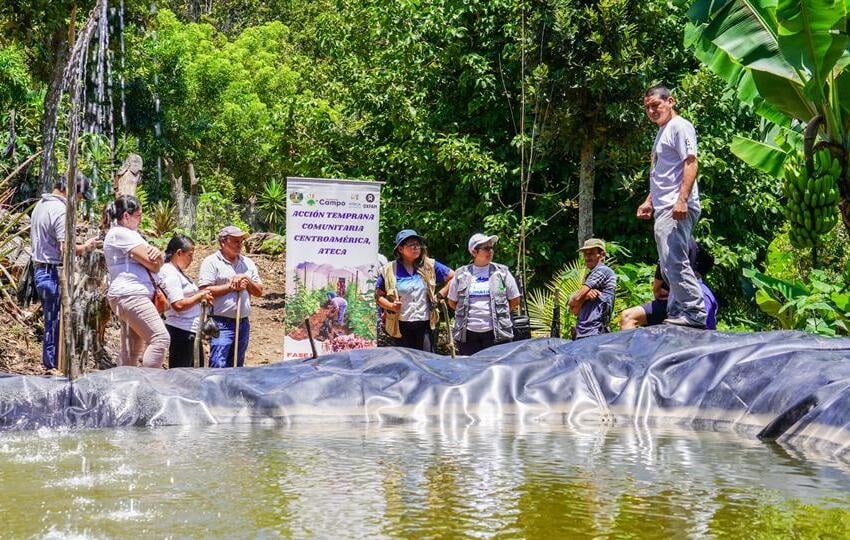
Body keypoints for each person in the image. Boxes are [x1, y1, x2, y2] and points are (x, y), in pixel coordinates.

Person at [638, 84, 707, 328]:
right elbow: (664, 173)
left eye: (655, 105)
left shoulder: (680, 126)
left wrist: (682, 199)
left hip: (675, 206)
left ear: (670, 101)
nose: (651, 111)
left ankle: (695, 312)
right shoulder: (663, 131)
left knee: (675, 260)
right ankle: (679, 310)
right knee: (667, 264)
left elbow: (691, 162)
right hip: (663, 205)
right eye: (647, 107)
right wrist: (649, 201)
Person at [30, 173, 101, 371]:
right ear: (70, 190)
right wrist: (86, 246)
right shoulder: (60, 210)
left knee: (52, 321)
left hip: (41, 270)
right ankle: (52, 368)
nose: (79, 201)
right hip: (53, 272)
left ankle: (53, 365)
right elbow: (66, 249)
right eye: (79, 196)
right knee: (55, 323)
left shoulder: (41, 205)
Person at [103, 195, 169, 368]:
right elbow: (155, 265)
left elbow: (156, 262)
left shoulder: (125, 234)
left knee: (132, 350)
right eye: (138, 216)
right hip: (132, 294)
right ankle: (147, 385)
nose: (141, 220)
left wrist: (158, 257)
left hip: (127, 294)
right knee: (160, 338)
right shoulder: (121, 234)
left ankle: (124, 388)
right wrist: (159, 257)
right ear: (126, 216)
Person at [375, 229, 454, 351]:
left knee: (426, 361)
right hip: (400, 325)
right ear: (400, 249)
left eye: (418, 244)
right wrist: (391, 306)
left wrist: (439, 295)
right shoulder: (389, 269)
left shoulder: (429, 265)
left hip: (425, 324)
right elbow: (378, 295)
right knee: (405, 362)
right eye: (411, 245)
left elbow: (453, 277)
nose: (416, 247)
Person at [198, 225, 263, 368]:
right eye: (235, 241)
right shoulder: (211, 262)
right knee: (218, 363)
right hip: (220, 322)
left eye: (241, 241)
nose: (240, 245)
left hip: (243, 322)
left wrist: (246, 280)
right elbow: (204, 291)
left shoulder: (247, 263)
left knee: (237, 364)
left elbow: (259, 291)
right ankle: (216, 390)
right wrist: (230, 287)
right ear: (223, 242)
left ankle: (232, 390)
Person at [447, 233, 521, 355]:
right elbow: (452, 302)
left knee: (496, 370)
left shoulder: (502, 272)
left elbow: (515, 300)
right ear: (474, 252)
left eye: (491, 248)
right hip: (467, 335)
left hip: (497, 334)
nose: (490, 251)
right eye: (486, 248)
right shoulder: (461, 274)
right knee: (471, 369)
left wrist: (498, 314)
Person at [620, 240, 718, 330]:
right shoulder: (675, 287)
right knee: (628, 316)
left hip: (691, 338)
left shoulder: (701, 294)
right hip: (672, 310)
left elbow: (706, 331)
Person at [160, 234, 214, 368]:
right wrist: (199, 296)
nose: (192, 259)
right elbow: (178, 304)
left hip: (189, 330)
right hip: (181, 330)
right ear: (179, 253)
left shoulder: (177, 272)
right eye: (189, 255)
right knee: (182, 374)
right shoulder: (170, 272)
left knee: (195, 371)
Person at [568, 238, 617, 339]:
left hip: (595, 331)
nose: (587, 257)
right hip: (584, 331)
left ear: (602, 255)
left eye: (591, 254)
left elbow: (576, 299)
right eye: (585, 254)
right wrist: (585, 297)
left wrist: (581, 297)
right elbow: (574, 309)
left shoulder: (603, 270)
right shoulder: (591, 275)